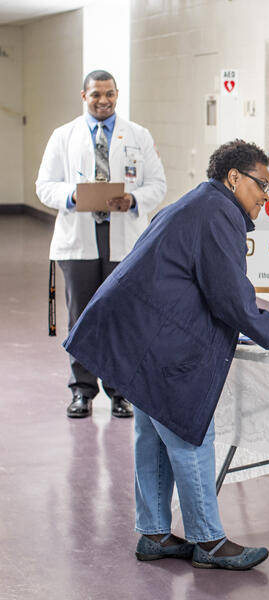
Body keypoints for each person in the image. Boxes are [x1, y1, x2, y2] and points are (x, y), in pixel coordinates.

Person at [64, 139, 269, 570]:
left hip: (139, 332)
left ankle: (156, 533)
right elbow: (230, 295)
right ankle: (209, 541)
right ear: (234, 178)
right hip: (156, 339)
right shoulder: (219, 213)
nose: (267, 196)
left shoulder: (199, 204)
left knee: (152, 434)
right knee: (188, 434)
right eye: (261, 185)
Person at [36, 69, 166, 419]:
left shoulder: (138, 135)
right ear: (84, 96)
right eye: (96, 94)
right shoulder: (64, 136)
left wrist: (134, 200)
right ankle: (82, 390)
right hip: (79, 239)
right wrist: (73, 196)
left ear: (117, 94)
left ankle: (120, 391)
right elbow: (44, 185)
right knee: (83, 317)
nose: (103, 100)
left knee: (123, 317)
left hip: (123, 238)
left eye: (109, 94)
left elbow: (158, 184)